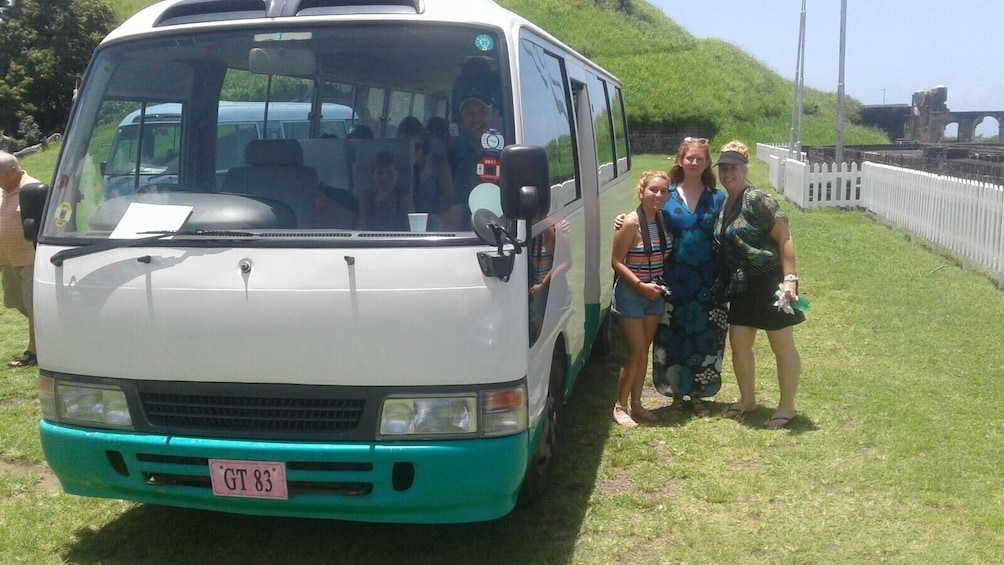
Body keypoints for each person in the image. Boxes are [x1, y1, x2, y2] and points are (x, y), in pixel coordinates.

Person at [614, 137, 728, 418]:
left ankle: (699, 394)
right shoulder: (668, 196)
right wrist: (622, 219)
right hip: (669, 281)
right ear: (680, 160)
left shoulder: (717, 197)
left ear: (706, 163)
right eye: (689, 157)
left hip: (706, 280)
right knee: (673, 337)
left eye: (699, 158)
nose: (694, 162)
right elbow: (644, 216)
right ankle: (676, 394)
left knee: (704, 335)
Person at [713, 140, 804, 429]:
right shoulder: (724, 202)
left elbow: (784, 239)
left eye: (733, 168)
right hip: (741, 286)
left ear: (744, 169)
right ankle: (747, 399)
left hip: (769, 282)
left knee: (782, 345)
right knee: (739, 343)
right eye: (724, 168)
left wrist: (789, 281)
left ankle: (787, 407)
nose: (728, 174)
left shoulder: (758, 200)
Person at [610, 171, 672, 428]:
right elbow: (615, 261)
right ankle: (619, 406)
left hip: (654, 294)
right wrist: (639, 285)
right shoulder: (630, 223)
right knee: (636, 352)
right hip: (632, 294)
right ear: (641, 192)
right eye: (653, 190)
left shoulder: (663, 220)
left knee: (643, 352)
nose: (658, 195)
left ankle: (637, 404)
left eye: (663, 191)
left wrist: (652, 288)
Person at [444, 58, 503, 230]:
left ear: (496, 115)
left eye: (482, 111)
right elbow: (456, 212)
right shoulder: (466, 162)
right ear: (461, 119)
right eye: (469, 112)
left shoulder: (510, 157)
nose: (475, 117)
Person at [0, 151, 40, 368]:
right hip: (8, 260)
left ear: (13, 171)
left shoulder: (31, 190)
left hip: (30, 259)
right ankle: (47, 332)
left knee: (33, 306)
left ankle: (34, 352)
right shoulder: (5, 190)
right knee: (16, 301)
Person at [397, 116, 454, 227]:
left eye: (416, 146)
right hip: (398, 223)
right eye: (406, 146)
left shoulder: (438, 164)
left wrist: (438, 219)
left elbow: (450, 199)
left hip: (432, 224)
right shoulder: (393, 166)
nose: (411, 151)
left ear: (424, 145)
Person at [357, 151, 413, 231]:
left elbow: (411, 230)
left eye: (390, 174)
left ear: (398, 175)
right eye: (379, 174)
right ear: (373, 175)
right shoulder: (366, 198)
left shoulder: (404, 198)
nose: (384, 178)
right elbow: (361, 229)